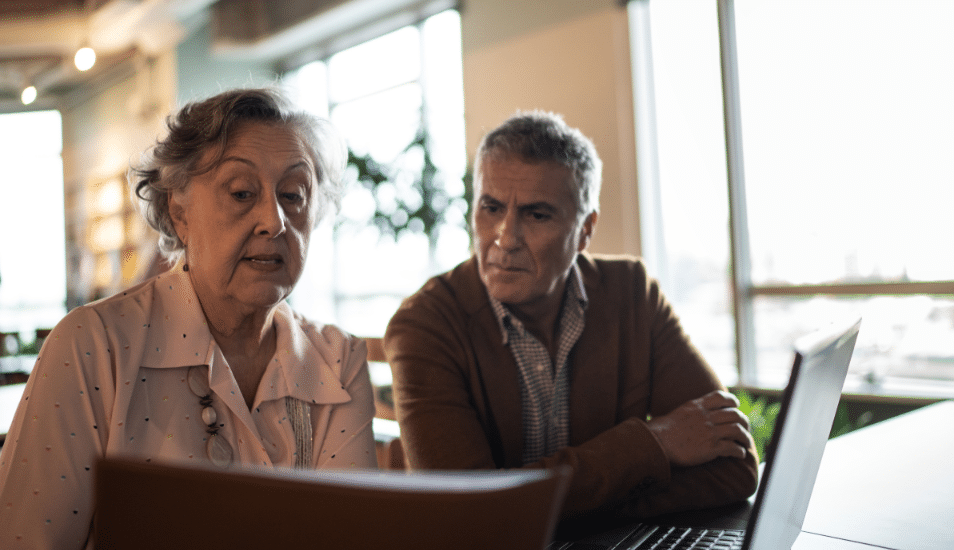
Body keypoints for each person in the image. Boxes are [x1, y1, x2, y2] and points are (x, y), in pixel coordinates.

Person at [0, 88, 377, 549]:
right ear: (179, 211)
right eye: (241, 193)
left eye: (293, 195)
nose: (274, 221)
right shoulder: (93, 346)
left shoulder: (338, 361)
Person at [384, 111, 759, 519]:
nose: (505, 238)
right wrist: (653, 443)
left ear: (585, 229)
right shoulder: (424, 325)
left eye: (536, 214)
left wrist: (554, 509)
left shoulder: (633, 292)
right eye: (490, 208)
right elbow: (469, 516)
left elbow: (734, 468)